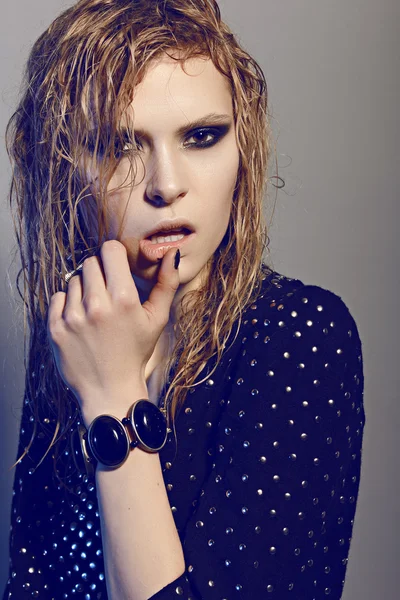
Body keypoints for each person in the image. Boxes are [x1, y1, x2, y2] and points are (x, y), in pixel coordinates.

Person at [3, 0, 366, 598]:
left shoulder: (300, 334)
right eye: (121, 145)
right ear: (64, 169)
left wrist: (116, 397)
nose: (167, 185)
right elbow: (32, 581)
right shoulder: (80, 328)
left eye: (202, 136)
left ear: (241, 147)